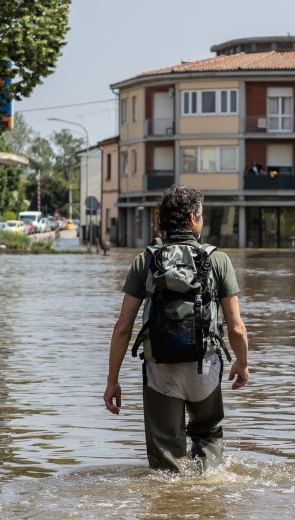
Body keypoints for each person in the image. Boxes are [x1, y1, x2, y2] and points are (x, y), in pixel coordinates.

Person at [104, 185, 250, 472]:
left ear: (160, 219)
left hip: (160, 368)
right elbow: (236, 326)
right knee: (207, 435)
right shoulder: (217, 260)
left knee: (165, 452)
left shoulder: (146, 260)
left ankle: (170, 504)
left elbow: (123, 328)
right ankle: (210, 490)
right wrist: (242, 363)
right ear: (194, 219)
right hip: (204, 366)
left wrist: (112, 380)